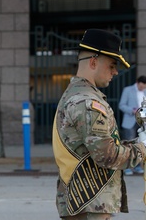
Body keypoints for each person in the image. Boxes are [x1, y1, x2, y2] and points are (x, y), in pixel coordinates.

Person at [52, 28, 146, 220]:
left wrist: (136, 143)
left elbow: (98, 147)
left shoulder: (74, 95)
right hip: (90, 205)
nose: (115, 72)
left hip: (82, 202)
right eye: (112, 65)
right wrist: (143, 149)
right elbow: (108, 156)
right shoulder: (87, 102)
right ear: (93, 62)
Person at [119, 75, 146, 175]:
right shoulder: (128, 90)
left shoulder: (145, 91)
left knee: (140, 144)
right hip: (130, 121)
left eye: (144, 87)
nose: (143, 88)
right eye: (141, 86)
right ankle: (127, 167)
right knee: (129, 145)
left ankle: (138, 166)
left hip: (142, 123)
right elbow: (121, 105)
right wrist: (132, 110)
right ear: (137, 83)